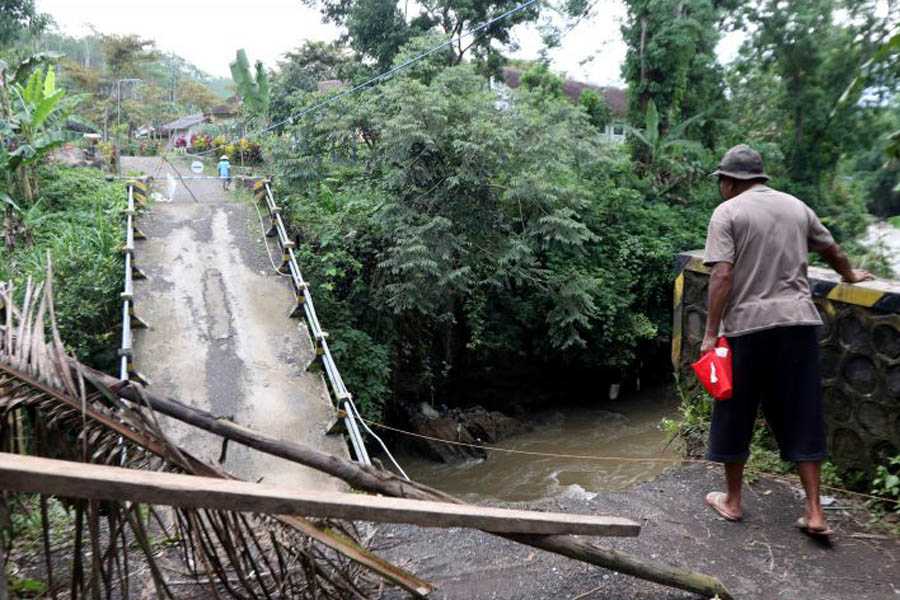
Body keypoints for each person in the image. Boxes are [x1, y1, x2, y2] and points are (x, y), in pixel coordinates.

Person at [700, 144, 873, 538]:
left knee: (735, 412)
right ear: (760, 178)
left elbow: (722, 275)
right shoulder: (797, 207)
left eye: (721, 181)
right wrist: (849, 275)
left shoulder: (727, 213)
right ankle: (814, 512)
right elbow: (832, 249)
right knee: (803, 413)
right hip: (797, 324)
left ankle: (732, 501)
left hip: (747, 328)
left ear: (729, 181)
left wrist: (710, 334)